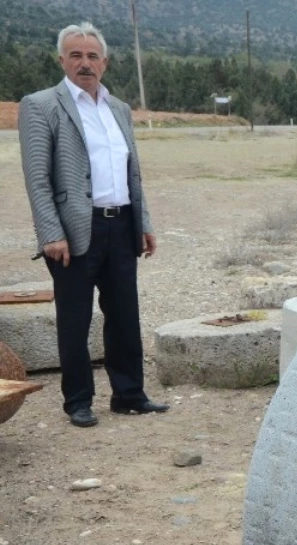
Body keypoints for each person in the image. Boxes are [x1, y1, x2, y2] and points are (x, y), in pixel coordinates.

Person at [18, 22, 168, 428]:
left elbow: (131, 173)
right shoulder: (40, 105)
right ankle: (79, 401)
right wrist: (51, 233)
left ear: (105, 61)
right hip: (72, 233)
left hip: (120, 226)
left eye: (92, 56)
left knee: (124, 315)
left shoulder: (118, 109)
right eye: (76, 55)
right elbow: (37, 177)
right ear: (62, 59)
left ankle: (129, 395)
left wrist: (144, 223)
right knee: (75, 319)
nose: (85, 63)